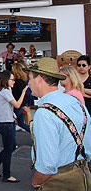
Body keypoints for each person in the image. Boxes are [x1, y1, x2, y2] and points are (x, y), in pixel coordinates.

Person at [26, 58, 91, 190]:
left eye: (30, 79)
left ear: (39, 79)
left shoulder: (45, 112)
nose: (29, 84)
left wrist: (36, 182)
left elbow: (47, 165)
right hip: (82, 176)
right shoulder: (76, 102)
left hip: (59, 181)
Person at [0, 70, 28, 183]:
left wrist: (13, 115)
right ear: (6, 80)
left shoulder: (1, 91)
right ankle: (6, 174)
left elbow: (6, 107)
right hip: (6, 123)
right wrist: (24, 92)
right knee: (9, 148)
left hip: (2, 122)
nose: (14, 82)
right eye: (12, 79)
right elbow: (17, 104)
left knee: (9, 147)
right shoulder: (5, 91)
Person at [11, 63, 31, 132]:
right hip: (22, 104)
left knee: (13, 121)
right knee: (21, 123)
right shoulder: (22, 81)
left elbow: (21, 94)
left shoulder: (17, 82)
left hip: (18, 104)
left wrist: (23, 104)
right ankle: (33, 132)